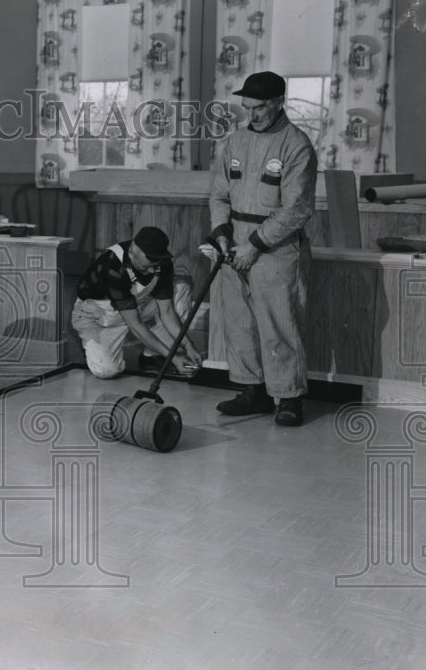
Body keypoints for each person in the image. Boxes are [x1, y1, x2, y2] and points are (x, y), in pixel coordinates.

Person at [206, 70, 317, 426]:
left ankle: (288, 397)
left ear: (279, 103)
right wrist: (222, 233)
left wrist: (255, 245)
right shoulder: (235, 142)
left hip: (275, 247)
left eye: (258, 109)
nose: (251, 115)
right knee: (239, 321)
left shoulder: (296, 144)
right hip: (234, 241)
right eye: (246, 108)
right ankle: (251, 389)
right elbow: (219, 194)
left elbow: (296, 208)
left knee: (278, 321)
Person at [71, 225, 203, 380]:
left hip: (134, 305)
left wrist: (189, 346)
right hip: (99, 315)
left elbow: (166, 311)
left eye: (156, 265)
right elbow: (137, 325)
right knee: (106, 370)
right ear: (133, 251)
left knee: (181, 289)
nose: (153, 271)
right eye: (146, 266)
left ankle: (152, 357)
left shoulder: (160, 262)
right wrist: (173, 358)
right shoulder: (112, 266)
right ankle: (93, 345)